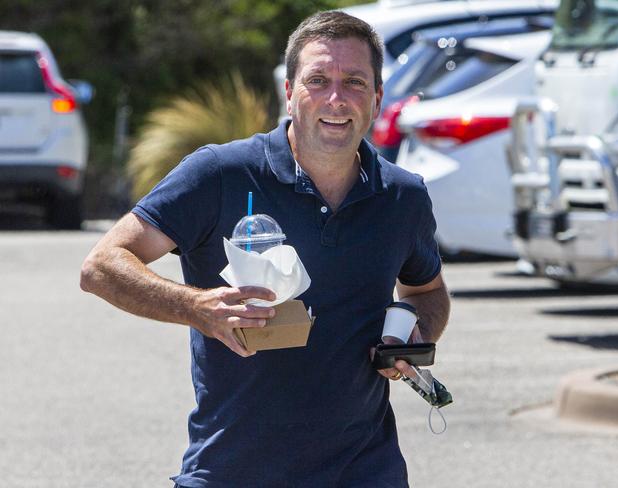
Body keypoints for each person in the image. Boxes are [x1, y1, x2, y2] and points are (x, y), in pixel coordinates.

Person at [80, 10, 450, 488]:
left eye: (355, 82)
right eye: (317, 80)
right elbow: (102, 265)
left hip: (364, 472)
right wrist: (195, 306)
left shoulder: (403, 197)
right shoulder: (219, 174)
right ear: (289, 93)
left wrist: (414, 335)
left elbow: (429, 292)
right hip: (232, 471)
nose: (336, 98)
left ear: (377, 99)